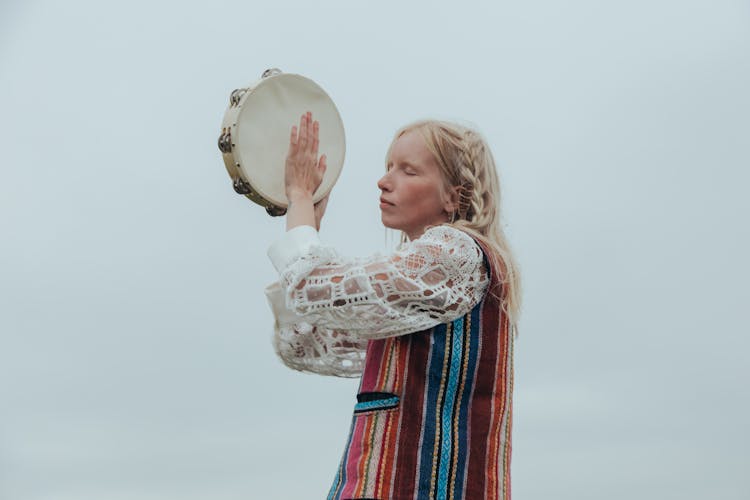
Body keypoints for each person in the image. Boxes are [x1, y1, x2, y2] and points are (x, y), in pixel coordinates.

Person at [265, 112, 522, 500]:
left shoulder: (456, 254)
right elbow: (304, 346)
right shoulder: (411, 285)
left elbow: (311, 287)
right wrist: (306, 231)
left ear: (455, 195)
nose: (384, 181)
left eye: (408, 171)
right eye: (388, 167)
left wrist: (300, 202)